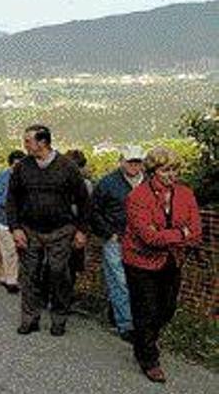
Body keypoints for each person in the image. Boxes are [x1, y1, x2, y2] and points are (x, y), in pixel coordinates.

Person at [122, 147, 201, 383]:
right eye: (166, 170)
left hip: (172, 260)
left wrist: (170, 233)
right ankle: (148, 358)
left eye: (175, 169)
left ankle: (143, 339)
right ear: (153, 171)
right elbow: (149, 238)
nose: (172, 174)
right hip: (140, 261)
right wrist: (181, 232)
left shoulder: (185, 193)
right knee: (146, 310)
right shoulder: (138, 197)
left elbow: (196, 232)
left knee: (167, 309)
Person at [7, 125, 90, 337]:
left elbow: (83, 201)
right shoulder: (22, 167)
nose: (24, 145)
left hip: (61, 230)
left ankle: (59, 317)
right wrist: (15, 228)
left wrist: (81, 230)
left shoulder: (67, 167)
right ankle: (30, 318)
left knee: (58, 273)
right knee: (29, 275)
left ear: (42, 143)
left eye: (28, 141)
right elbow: (12, 199)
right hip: (30, 230)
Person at [91, 145, 145, 343]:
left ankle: (117, 312)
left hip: (142, 241)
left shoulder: (148, 183)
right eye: (130, 161)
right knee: (120, 280)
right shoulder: (107, 183)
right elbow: (94, 210)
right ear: (122, 161)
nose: (134, 165)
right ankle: (126, 325)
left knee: (134, 281)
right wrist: (108, 233)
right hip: (116, 239)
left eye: (137, 162)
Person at [0, 150, 27, 293]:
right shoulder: (0, 178)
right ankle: (12, 281)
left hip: (20, 222)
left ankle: (5, 276)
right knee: (10, 250)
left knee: (13, 250)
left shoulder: (25, 178)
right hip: (3, 220)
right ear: (11, 164)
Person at [65, 149, 91, 292]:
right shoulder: (86, 184)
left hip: (73, 229)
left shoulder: (86, 185)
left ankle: (62, 296)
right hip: (72, 228)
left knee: (71, 264)